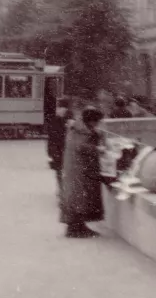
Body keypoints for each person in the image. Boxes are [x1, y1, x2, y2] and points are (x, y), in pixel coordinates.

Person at [59, 106, 116, 238]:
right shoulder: (80, 131)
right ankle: (75, 229)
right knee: (78, 198)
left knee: (78, 198)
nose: (97, 124)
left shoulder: (79, 128)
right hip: (78, 170)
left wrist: (97, 135)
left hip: (76, 169)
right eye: (96, 122)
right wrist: (98, 149)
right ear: (91, 120)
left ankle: (78, 227)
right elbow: (81, 147)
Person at [45, 97, 71, 195]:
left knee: (59, 171)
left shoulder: (55, 118)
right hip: (65, 148)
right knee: (65, 171)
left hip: (57, 149)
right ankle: (63, 190)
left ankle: (61, 189)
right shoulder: (70, 117)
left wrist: (50, 152)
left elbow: (51, 137)